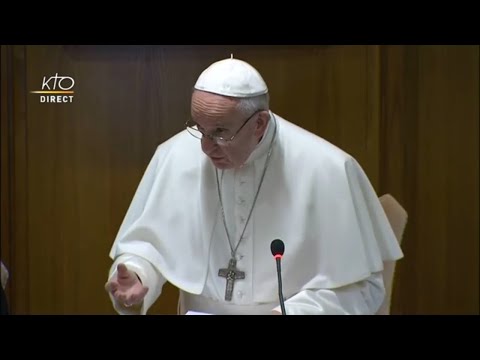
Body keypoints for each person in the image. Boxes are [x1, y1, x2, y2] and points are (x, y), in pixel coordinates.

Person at [105, 56, 404, 315]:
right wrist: (138, 274)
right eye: (199, 128)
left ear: (259, 123)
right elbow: (147, 246)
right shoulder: (174, 155)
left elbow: (363, 288)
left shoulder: (330, 168)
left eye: (221, 132)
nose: (206, 148)